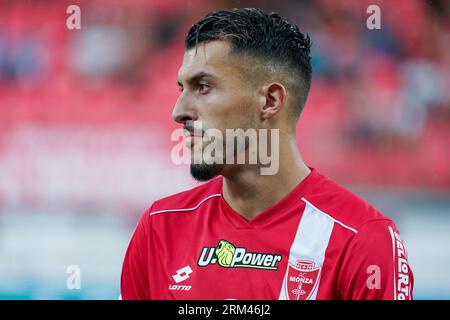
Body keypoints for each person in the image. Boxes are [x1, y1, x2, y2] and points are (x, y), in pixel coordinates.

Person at [120, 8, 414, 300]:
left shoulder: (362, 239)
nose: (179, 111)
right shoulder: (160, 227)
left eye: (204, 87)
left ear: (270, 101)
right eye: (182, 88)